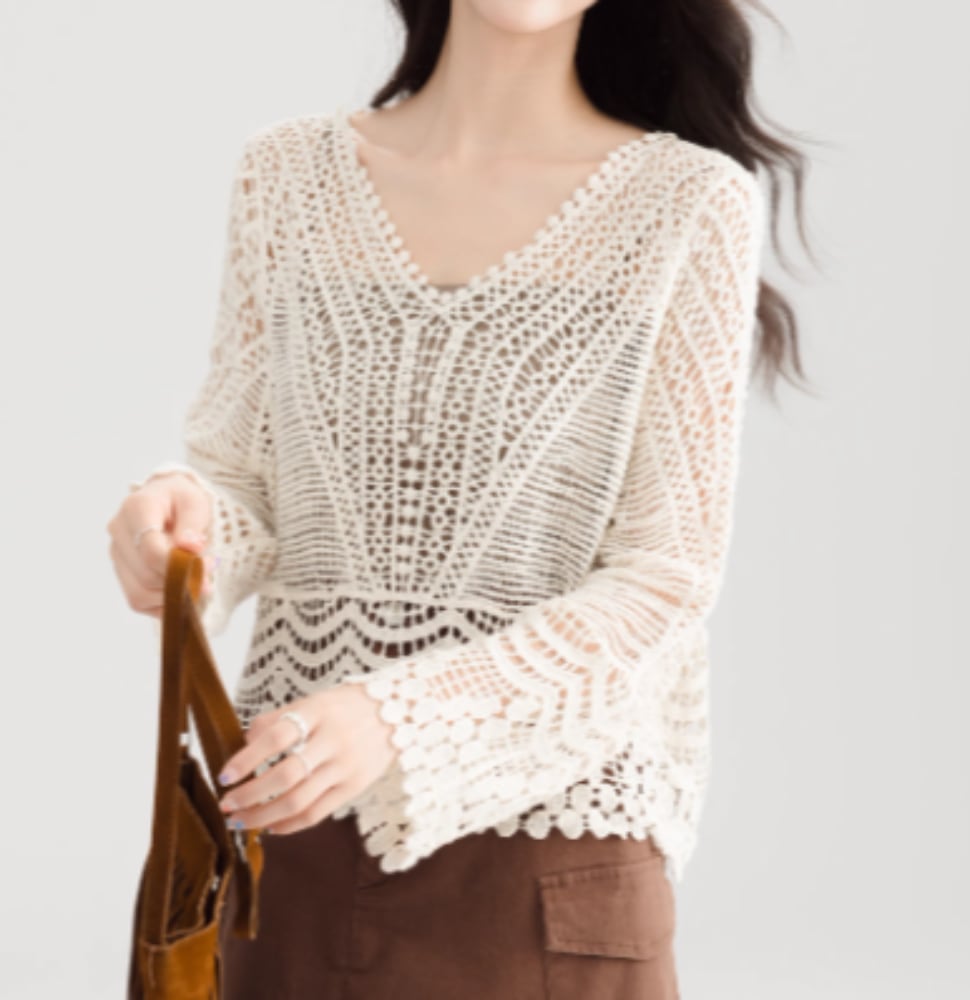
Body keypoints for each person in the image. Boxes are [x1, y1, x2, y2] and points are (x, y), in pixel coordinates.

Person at [108, 1, 812, 997]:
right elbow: (246, 480)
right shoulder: (287, 175)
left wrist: (396, 718)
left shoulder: (688, 202)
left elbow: (664, 577)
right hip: (291, 856)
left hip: (544, 871)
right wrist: (185, 524)